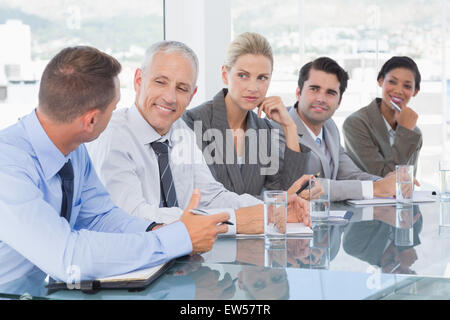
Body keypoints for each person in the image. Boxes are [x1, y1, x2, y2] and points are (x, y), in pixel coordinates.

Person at [0, 46, 231, 284]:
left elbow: (101, 218)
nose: (116, 113)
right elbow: (69, 259)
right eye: (113, 106)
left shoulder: (74, 149)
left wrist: (164, 231)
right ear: (91, 120)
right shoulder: (7, 167)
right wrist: (177, 239)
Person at [87, 40, 310, 235]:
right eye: (160, 82)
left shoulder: (181, 131)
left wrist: (270, 210)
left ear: (192, 95)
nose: (170, 97)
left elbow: (212, 196)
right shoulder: (114, 135)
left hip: (181, 260)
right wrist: (236, 220)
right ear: (138, 80)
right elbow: (132, 216)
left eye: (182, 88)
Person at [182, 32, 311, 197]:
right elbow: (206, 198)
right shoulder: (194, 122)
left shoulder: (264, 129)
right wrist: (271, 203)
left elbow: (286, 194)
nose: (253, 87)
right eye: (243, 75)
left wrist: (289, 127)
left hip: (255, 221)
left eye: (262, 78)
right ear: (224, 75)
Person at [277, 57, 400, 201]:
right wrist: (375, 188)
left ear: (339, 102)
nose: (321, 99)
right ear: (298, 93)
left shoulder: (329, 127)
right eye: (314, 89)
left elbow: (350, 174)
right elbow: (301, 187)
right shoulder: (277, 127)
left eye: (330, 93)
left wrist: (389, 183)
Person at [342, 56, 422, 177]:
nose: (398, 90)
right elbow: (384, 179)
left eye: (407, 86)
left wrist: (406, 131)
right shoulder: (356, 123)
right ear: (380, 80)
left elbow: (407, 183)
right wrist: (405, 133)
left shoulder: (414, 132)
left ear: (415, 91)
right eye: (392, 82)